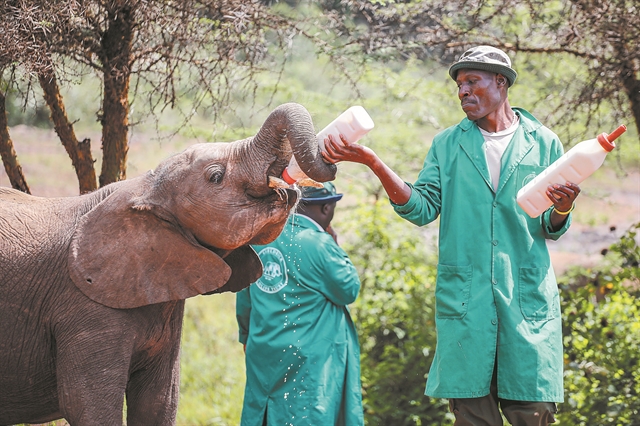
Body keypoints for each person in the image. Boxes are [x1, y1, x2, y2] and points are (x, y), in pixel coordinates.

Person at [322, 45, 581, 426]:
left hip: (526, 309)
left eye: (472, 81)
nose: (463, 91)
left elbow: (550, 226)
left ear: (501, 82)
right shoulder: (447, 144)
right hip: (467, 307)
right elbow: (422, 208)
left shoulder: (544, 143)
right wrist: (375, 163)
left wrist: (562, 207)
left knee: (533, 414)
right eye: (460, 85)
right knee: (472, 416)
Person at [236, 182, 364, 426]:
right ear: (326, 208)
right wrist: (334, 245)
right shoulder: (318, 244)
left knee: (265, 411)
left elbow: (244, 301)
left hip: (264, 353)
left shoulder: (259, 241)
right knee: (304, 414)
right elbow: (348, 290)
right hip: (307, 359)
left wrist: (246, 338)